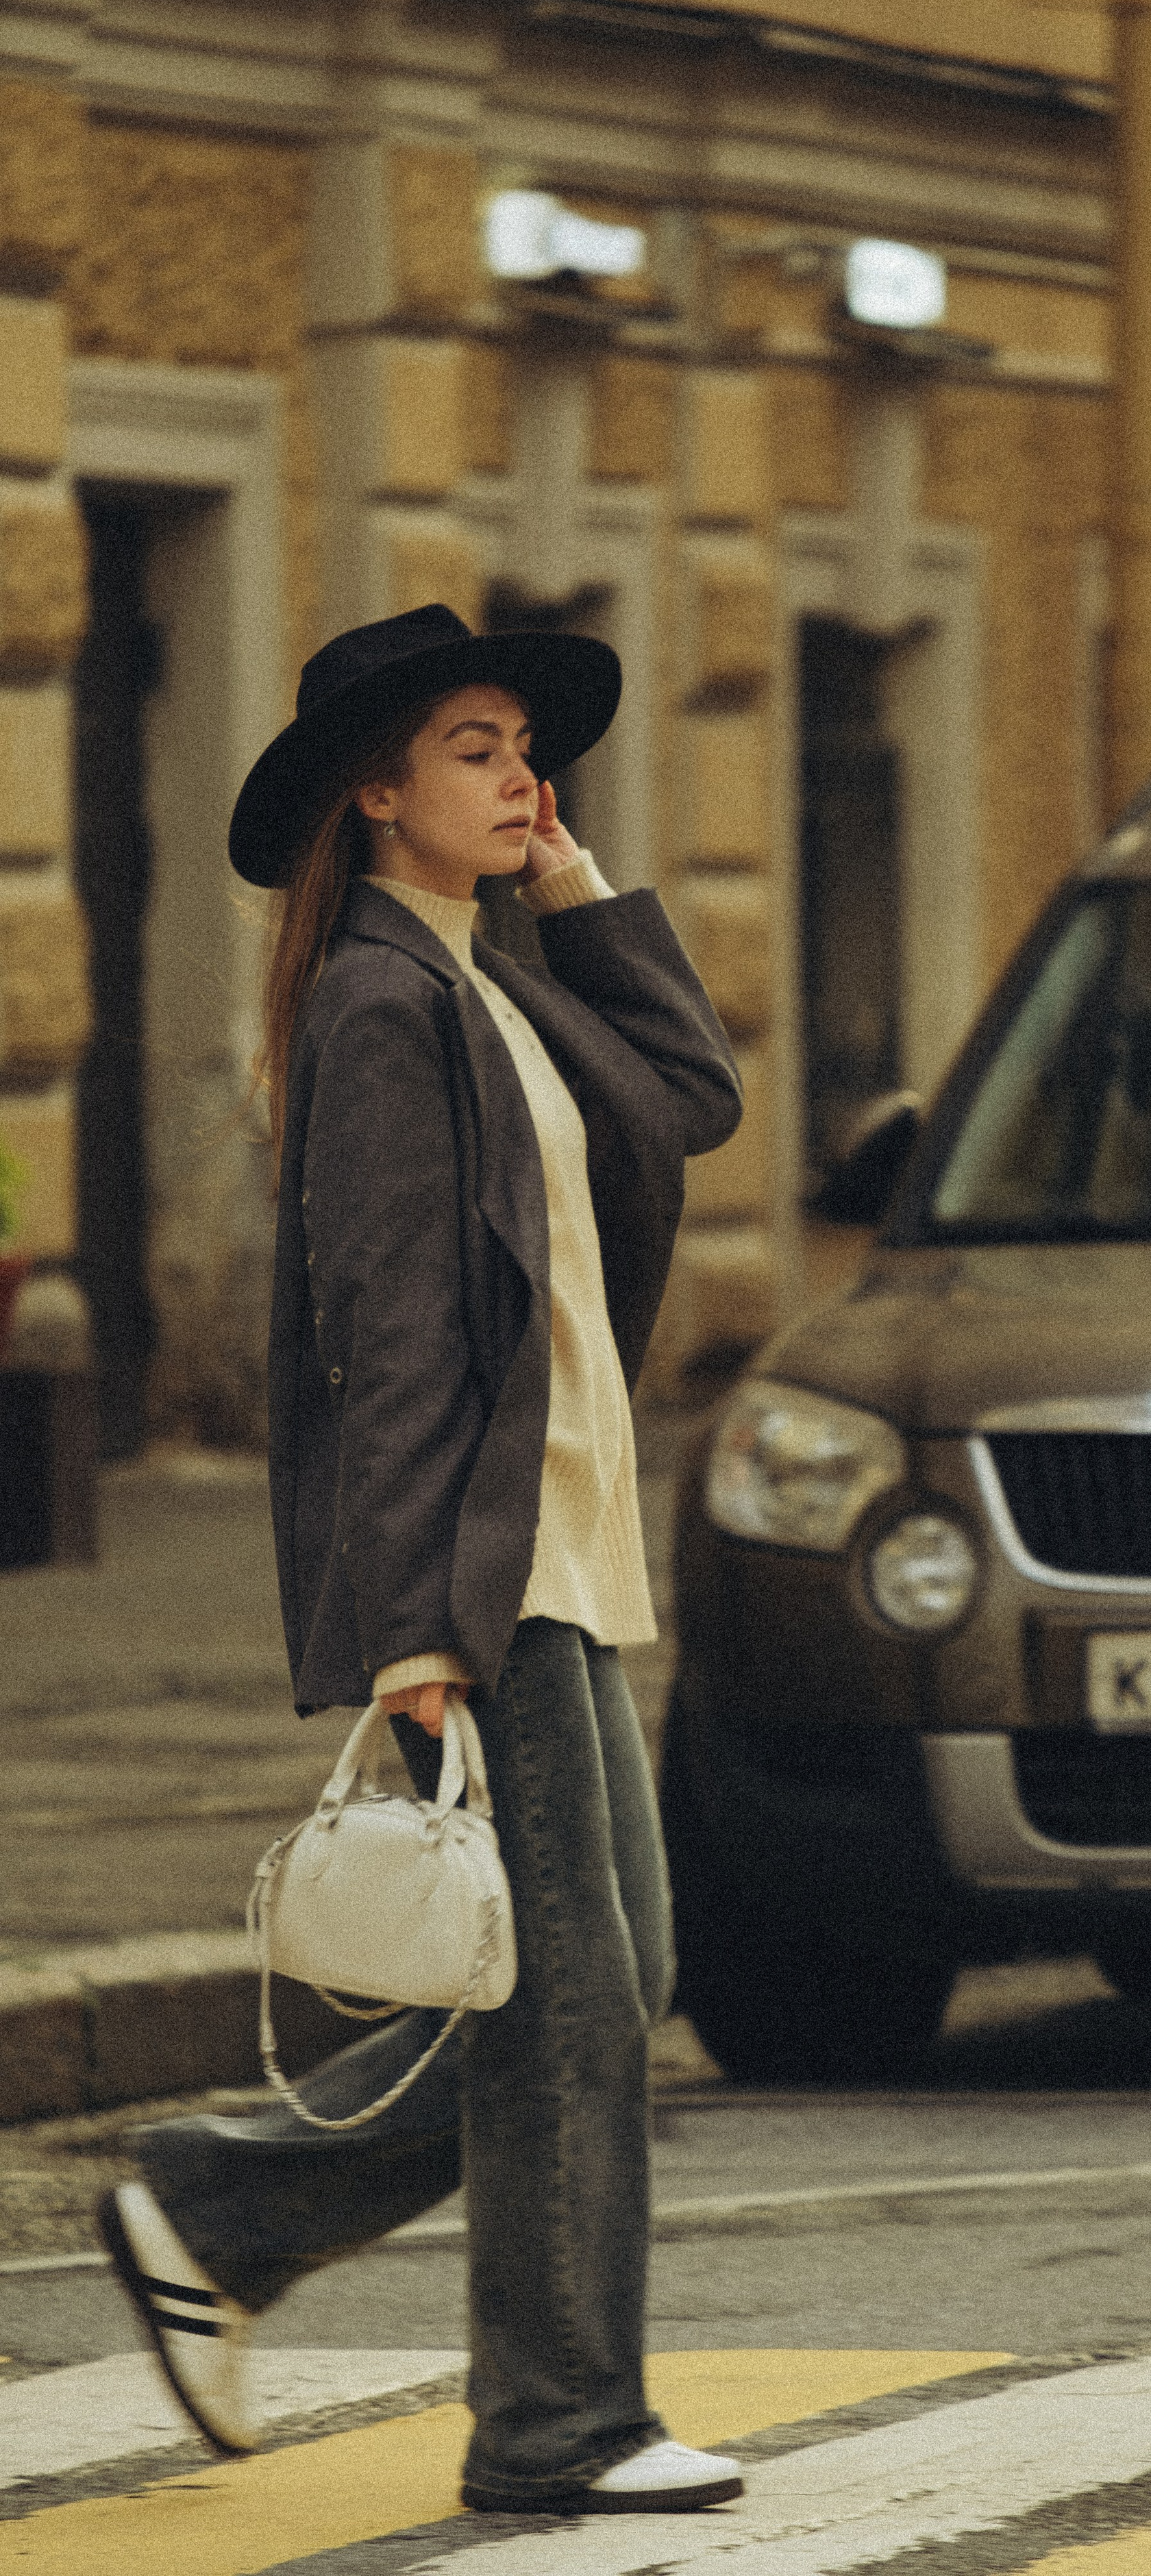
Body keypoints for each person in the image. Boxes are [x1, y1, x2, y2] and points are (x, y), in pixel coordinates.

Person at [97, 604, 746, 2517]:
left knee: (607, 1987)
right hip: (482, 1573)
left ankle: (216, 2210)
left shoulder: (499, 979)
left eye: (528, 746)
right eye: (477, 749)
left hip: (565, 1553)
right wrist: (410, 1636)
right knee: (568, 2013)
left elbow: (695, 1096)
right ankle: (560, 2423)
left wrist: (578, 887)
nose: (523, 774)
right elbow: (382, 1338)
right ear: (376, 794)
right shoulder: (381, 1007)